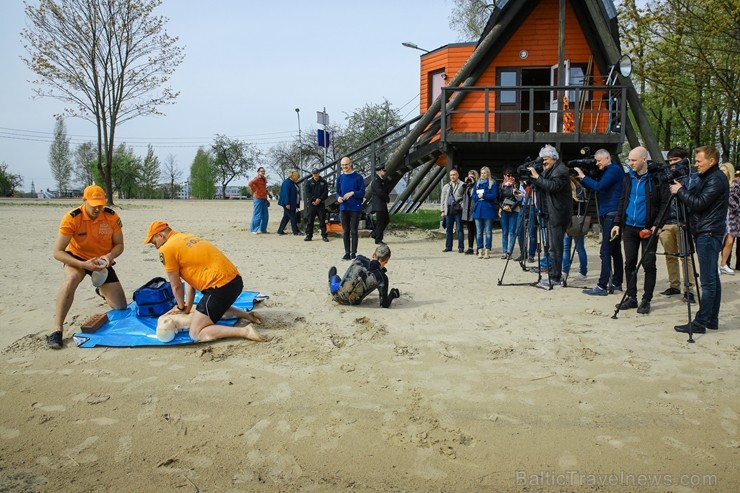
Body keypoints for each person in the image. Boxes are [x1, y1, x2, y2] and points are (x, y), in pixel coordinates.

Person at [144, 221, 257, 342]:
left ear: (160, 235)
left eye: (154, 243)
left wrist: (181, 307)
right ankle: (247, 315)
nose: (156, 247)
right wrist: (186, 307)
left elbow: (176, 286)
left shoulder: (166, 249)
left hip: (220, 287)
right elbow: (189, 282)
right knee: (210, 308)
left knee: (195, 333)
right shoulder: (186, 237)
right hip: (235, 282)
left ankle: (245, 331)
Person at [48, 184, 127, 349]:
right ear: (84, 201)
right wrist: (83, 265)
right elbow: (57, 252)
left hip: (101, 262)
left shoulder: (111, 216)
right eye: (94, 205)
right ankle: (57, 329)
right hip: (78, 258)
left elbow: (119, 245)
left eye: (101, 205)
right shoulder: (72, 218)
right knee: (72, 279)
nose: (98, 209)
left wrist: (109, 256)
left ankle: (101, 289)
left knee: (120, 306)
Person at [671, 146, 730, 333]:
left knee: (708, 281)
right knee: (712, 277)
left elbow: (699, 203)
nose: (695, 164)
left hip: (709, 232)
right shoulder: (708, 177)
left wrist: (680, 191)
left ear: (711, 161)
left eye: (699, 161)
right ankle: (711, 319)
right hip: (707, 230)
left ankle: (700, 322)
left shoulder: (716, 179)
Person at [612, 146, 670, 315]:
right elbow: (623, 200)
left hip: (648, 228)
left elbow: (666, 204)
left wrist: (657, 225)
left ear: (644, 159)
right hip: (629, 227)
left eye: (633, 160)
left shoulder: (657, 178)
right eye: (629, 160)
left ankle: (646, 299)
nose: (630, 163)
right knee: (629, 263)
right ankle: (632, 297)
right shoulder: (628, 178)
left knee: (648, 264)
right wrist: (617, 222)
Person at [576, 149, 625, 296]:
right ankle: (616, 282)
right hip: (610, 212)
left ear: (608, 157)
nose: (597, 164)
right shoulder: (609, 170)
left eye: (599, 161)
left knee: (605, 251)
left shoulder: (614, 170)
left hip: (611, 213)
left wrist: (583, 177)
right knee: (615, 250)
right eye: (596, 161)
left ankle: (602, 285)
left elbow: (598, 186)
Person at [656, 147, 698, 302]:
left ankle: (689, 289)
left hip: (683, 221)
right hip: (667, 221)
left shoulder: (692, 177)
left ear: (684, 159)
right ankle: (674, 285)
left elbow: (693, 197)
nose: (673, 163)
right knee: (670, 256)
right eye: (671, 160)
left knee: (685, 256)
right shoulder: (667, 176)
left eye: (676, 160)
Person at [528, 144, 572, 288]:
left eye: (545, 159)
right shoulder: (551, 169)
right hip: (550, 213)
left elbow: (553, 186)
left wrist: (537, 177)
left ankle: (555, 277)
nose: (544, 162)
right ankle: (553, 275)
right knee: (552, 247)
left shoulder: (561, 170)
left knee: (555, 248)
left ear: (554, 158)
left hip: (558, 214)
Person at [327, 244, 400, 308]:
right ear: (386, 261)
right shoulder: (382, 277)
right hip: (354, 302)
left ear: (373, 254)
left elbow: (366, 267)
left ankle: (332, 277)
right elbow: (384, 304)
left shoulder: (359, 258)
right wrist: (392, 294)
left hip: (337, 294)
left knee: (335, 278)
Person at [156, 306, 265, 343]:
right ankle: (247, 316)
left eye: (166, 321)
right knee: (221, 313)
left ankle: (247, 318)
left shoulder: (163, 319)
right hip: (195, 312)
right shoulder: (180, 323)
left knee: (220, 314)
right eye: (168, 323)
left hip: (196, 311)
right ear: (175, 330)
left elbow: (171, 311)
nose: (167, 320)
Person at [336, 156, 365, 260]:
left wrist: (353, 193)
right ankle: (347, 252)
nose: (345, 167)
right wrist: (338, 197)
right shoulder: (339, 178)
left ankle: (353, 253)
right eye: (343, 165)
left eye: (346, 164)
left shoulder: (358, 177)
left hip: (355, 208)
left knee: (353, 231)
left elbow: (362, 192)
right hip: (344, 207)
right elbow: (337, 192)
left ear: (350, 163)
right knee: (345, 231)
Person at [562, 177, 588, 281]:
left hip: (569, 222)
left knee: (567, 248)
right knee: (579, 248)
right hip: (578, 222)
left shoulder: (569, 196)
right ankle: (582, 271)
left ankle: (565, 271)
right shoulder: (581, 191)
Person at [472, 166, 498, 259]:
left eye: (485, 173)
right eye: (482, 173)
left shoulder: (492, 183)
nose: (483, 175)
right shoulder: (477, 183)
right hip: (478, 209)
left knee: (488, 232)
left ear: (488, 174)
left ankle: (487, 250)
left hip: (488, 209)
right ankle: (480, 250)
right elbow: (473, 196)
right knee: (479, 232)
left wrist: (484, 195)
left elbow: (494, 195)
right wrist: (478, 197)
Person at [498, 168, 522, 259]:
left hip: (513, 210)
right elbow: (499, 199)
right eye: (508, 175)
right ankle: (504, 251)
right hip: (504, 209)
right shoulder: (501, 186)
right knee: (505, 232)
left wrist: (511, 208)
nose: (510, 177)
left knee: (512, 232)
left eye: (511, 175)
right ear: (504, 176)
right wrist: (502, 207)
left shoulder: (516, 185)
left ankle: (509, 252)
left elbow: (518, 199)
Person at [719, 162, 737, 274]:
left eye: (724, 170)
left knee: (730, 241)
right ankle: (714, 265)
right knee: (718, 241)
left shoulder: (735, 185)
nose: (721, 172)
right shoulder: (718, 184)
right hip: (720, 215)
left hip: (732, 216)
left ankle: (723, 264)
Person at [441, 168, 465, 253]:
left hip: (458, 209)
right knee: (449, 229)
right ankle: (448, 246)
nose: (452, 176)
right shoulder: (446, 186)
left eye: (454, 175)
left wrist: (462, 206)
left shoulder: (462, 184)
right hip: (449, 209)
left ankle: (461, 247)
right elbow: (443, 199)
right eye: (451, 175)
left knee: (459, 229)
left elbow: (464, 198)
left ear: (457, 175)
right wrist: (442, 211)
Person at [304, 168, 329, 242]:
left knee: (322, 221)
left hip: (321, 204)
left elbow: (325, 192)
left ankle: (324, 235)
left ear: (319, 173)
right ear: (312, 174)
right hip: (312, 204)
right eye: (314, 173)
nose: (315, 175)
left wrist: (320, 199)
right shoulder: (308, 182)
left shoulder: (323, 182)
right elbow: (307, 192)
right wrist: (313, 199)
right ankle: (309, 235)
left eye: (316, 173)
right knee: (310, 221)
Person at [370, 164, 391, 245]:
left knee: (386, 220)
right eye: (383, 170)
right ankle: (378, 239)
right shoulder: (376, 181)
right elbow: (380, 192)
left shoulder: (381, 180)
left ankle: (375, 234)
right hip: (379, 205)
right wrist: (387, 198)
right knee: (380, 222)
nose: (384, 172)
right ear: (379, 172)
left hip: (382, 204)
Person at [277, 169, 302, 236]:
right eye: (297, 177)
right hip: (288, 203)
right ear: (293, 176)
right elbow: (285, 194)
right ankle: (296, 232)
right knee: (293, 217)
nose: (297, 178)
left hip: (292, 203)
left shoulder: (293, 183)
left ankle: (280, 231)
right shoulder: (287, 183)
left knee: (286, 217)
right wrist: (287, 203)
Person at [461, 170, 478, 254]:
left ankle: (479, 247)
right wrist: (465, 183)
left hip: (475, 210)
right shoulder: (466, 186)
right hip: (467, 211)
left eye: (472, 176)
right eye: (469, 176)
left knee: (478, 230)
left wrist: (474, 183)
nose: (470, 178)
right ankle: (470, 247)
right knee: (470, 230)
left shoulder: (478, 185)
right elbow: (460, 193)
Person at [248, 167, 269, 234]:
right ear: (258, 172)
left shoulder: (264, 179)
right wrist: (255, 190)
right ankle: (253, 229)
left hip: (264, 198)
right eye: (261, 171)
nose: (263, 172)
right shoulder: (257, 178)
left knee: (265, 215)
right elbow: (250, 183)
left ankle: (263, 229)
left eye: (264, 171)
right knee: (257, 214)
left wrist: (266, 193)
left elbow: (263, 188)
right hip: (258, 198)